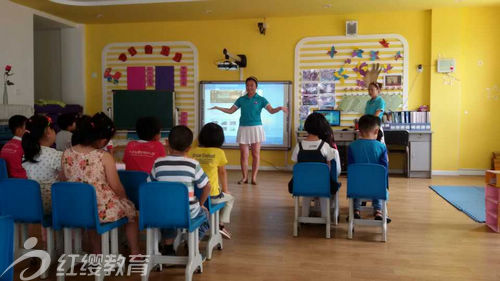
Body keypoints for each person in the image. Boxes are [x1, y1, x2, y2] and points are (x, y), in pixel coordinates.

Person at [61, 112, 140, 254]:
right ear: (101, 139)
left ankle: (97, 253)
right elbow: (116, 186)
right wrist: (125, 199)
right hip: (100, 208)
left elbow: (62, 179)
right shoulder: (103, 156)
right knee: (131, 213)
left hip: (73, 206)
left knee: (90, 213)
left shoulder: (66, 153)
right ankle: (135, 253)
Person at [210, 76, 288, 185]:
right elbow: (230, 111)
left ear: (256, 86)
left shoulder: (261, 99)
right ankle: (244, 178)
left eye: (252, 85)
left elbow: (271, 110)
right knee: (243, 155)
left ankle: (254, 178)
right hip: (243, 128)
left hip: (256, 128)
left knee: (256, 154)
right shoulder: (241, 99)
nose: (249, 87)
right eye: (247, 85)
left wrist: (280, 108)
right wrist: (218, 107)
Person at [149, 125, 211, 255]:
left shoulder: (158, 163)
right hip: (187, 212)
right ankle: (192, 244)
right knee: (205, 215)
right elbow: (207, 186)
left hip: (163, 212)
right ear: (189, 148)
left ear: (167, 143)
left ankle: (168, 246)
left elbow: (149, 185)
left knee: (167, 215)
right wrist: (201, 204)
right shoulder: (193, 164)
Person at [289, 113, 341, 218]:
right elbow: (329, 168)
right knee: (326, 189)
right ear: (322, 128)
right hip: (322, 184)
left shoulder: (299, 146)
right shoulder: (325, 146)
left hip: (302, 184)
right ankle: (325, 219)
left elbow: (296, 167)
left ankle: (304, 217)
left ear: (306, 126)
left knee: (306, 195)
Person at [189, 122, 235, 239]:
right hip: (211, 197)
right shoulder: (219, 152)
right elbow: (222, 172)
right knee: (230, 199)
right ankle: (220, 224)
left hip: (192, 196)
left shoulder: (192, 151)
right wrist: (225, 190)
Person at [348, 114, 390, 222]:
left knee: (357, 179)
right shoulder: (382, 147)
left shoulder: (352, 146)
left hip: (356, 188)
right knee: (377, 180)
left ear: (359, 130)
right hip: (377, 188)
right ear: (377, 131)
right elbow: (384, 169)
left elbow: (351, 169)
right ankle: (378, 211)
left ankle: (356, 211)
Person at [22, 115, 62, 215]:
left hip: (30, 200)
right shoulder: (55, 155)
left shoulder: (26, 154)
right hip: (50, 202)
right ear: (48, 131)